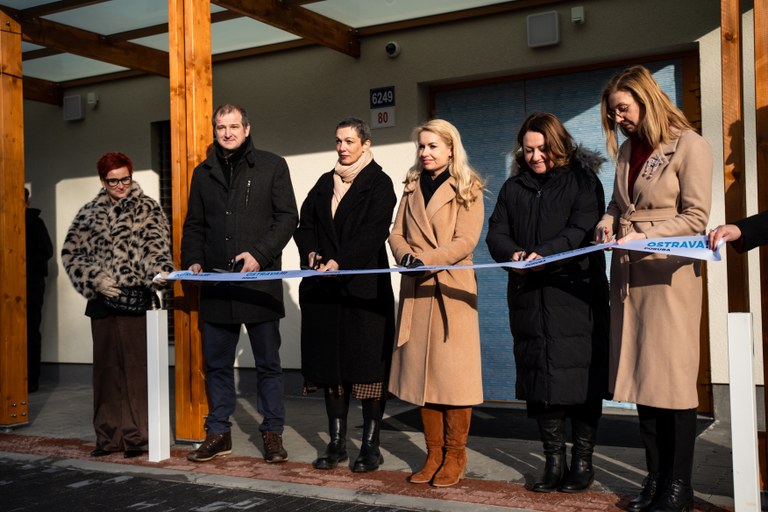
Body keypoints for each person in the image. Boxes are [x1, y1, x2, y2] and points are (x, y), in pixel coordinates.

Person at [595, 65, 712, 512]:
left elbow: (696, 217)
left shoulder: (689, 145)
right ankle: (655, 477)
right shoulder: (628, 151)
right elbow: (616, 203)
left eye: (622, 109)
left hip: (668, 275)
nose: (618, 118)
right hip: (628, 276)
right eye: (612, 114)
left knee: (673, 383)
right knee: (645, 383)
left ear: (645, 99)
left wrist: (647, 235)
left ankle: (678, 486)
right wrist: (607, 223)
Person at [486, 112, 610, 493]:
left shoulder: (582, 180)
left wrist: (542, 254)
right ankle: (553, 461)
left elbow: (581, 230)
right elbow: (496, 233)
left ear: (559, 146)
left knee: (581, 380)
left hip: (574, 294)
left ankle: (583, 463)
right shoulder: (513, 188)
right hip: (529, 298)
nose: (536, 157)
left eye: (543, 149)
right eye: (528, 150)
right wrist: (516, 255)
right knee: (540, 379)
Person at [181, 104, 298, 464]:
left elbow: (287, 217)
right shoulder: (203, 173)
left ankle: (272, 433)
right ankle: (218, 432)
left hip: (259, 285)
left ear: (247, 129)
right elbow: (194, 225)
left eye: (233, 126)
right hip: (217, 285)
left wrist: (260, 255)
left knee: (268, 364)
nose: (227, 133)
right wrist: (193, 260)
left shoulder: (272, 165)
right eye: (221, 127)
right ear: (215, 131)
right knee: (216, 364)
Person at [294, 117, 396, 473]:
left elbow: (374, 232)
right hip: (325, 291)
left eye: (350, 141)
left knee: (367, 369)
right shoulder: (324, 183)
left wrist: (341, 260)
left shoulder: (379, 184)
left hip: (362, 291)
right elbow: (305, 225)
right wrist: (310, 253)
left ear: (366, 144)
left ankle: (371, 445)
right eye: (338, 141)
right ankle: (336, 443)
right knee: (331, 369)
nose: (343, 147)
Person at [388, 119, 485, 488]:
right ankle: (432, 454)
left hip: (451, 291)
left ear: (450, 148)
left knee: (453, 379)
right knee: (422, 379)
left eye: (432, 146)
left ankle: (456, 455)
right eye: (421, 147)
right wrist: (405, 256)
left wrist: (425, 259)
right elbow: (396, 233)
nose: (425, 153)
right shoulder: (411, 185)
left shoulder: (468, 186)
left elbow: (466, 241)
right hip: (417, 289)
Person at [61, 152, 175, 459]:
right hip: (101, 303)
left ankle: (137, 438)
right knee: (106, 372)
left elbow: (156, 248)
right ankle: (108, 437)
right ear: (103, 181)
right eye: (114, 180)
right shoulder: (88, 213)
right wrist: (95, 278)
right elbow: (70, 255)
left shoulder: (147, 208)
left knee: (136, 371)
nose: (121, 185)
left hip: (135, 300)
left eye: (125, 178)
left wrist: (160, 272)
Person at [25, 187, 54, 393]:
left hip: (31, 285)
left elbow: (46, 251)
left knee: (30, 330)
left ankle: (31, 379)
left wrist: (21, 267)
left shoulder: (34, 222)